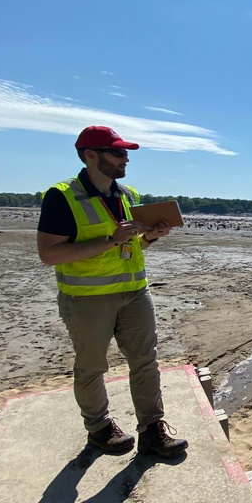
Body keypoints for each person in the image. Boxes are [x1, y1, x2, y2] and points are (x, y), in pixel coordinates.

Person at [37, 126, 188, 457]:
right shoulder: (62, 196)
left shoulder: (129, 195)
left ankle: (152, 430)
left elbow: (134, 246)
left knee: (146, 361)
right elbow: (49, 255)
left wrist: (151, 237)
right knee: (92, 367)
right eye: (118, 153)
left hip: (135, 294)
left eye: (126, 153)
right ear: (91, 155)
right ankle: (99, 428)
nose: (126, 158)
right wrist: (110, 241)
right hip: (87, 301)